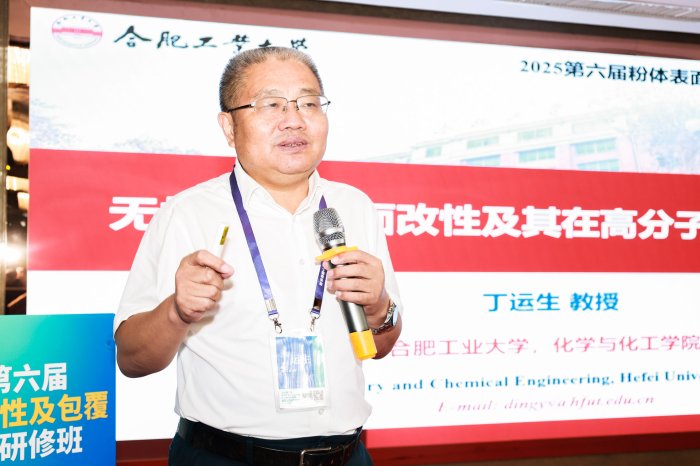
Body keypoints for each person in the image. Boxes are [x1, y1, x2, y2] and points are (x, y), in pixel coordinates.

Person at [113, 46, 402, 466]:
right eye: (271, 104)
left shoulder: (354, 207)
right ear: (229, 126)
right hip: (225, 457)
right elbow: (131, 359)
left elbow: (381, 345)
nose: (294, 119)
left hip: (347, 455)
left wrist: (379, 307)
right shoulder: (187, 213)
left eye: (308, 103)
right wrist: (177, 311)